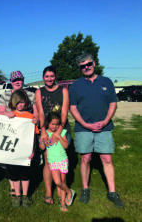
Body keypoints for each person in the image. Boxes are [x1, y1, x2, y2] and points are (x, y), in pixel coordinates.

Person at [69, 53, 124, 208]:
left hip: (104, 127)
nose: (86, 68)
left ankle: (112, 192)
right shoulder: (75, 86)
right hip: (83, 128)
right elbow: (73, 108)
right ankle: (85, 189)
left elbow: (113, 103)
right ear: (79, 68)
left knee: (107, 159)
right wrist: (85, 124)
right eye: (82, 66)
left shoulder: (106, 81)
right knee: (85, 158)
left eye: (88, 64)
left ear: (94, 63)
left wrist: (106, 121)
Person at [0, 70, 39, 198]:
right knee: (10, 161)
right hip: (10, 133)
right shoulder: (5, 95)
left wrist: (35, 119)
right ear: (11, 82)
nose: (18, 82)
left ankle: (24, 189)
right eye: (15, 80)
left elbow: (37, 112)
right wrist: (6, 114)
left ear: (23, 80)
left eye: (20, 79)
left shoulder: (31, 95)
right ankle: (12, 187)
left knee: (25, 159)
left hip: (26, 133)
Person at [35, 66, 70, 205]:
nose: (49, 79)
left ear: (55, 76)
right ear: (43, 77)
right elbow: (41, 113)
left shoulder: (63, 90)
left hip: (61, 129)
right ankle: (49, 192)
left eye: (51, 76)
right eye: (46, 76)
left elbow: (64, 114)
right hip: (46, 129)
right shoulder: (39, 92)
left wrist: (57, 133)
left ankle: (64, 191)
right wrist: (43, 131)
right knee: (48, 160)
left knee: (61, 159)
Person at [7, 89, 39, 208]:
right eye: (18, 102)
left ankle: (25, 196)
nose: (20, 104)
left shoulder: (30, 117)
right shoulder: (10, 116)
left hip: (26, 151)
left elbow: (34, 137)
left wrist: (33, 150)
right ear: (13, 102)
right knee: (14, 174)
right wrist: (6, 114)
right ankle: (17, 195)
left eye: (22, 102)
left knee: (25, 174)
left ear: (26, 103)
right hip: (13, 151)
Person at [39, 111, 75, 212]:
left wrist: (59, 136)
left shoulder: (62, 132)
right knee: (58, 182)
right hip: (53, 162)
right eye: (52, 124)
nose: (54, 126)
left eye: (57, 124)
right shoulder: (45, 134)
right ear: (48, 123)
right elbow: (42, 147)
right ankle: (69, 192)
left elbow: (66, 146)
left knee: (62, 181)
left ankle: (63, 204)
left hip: (62, 160)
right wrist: (42, 140)